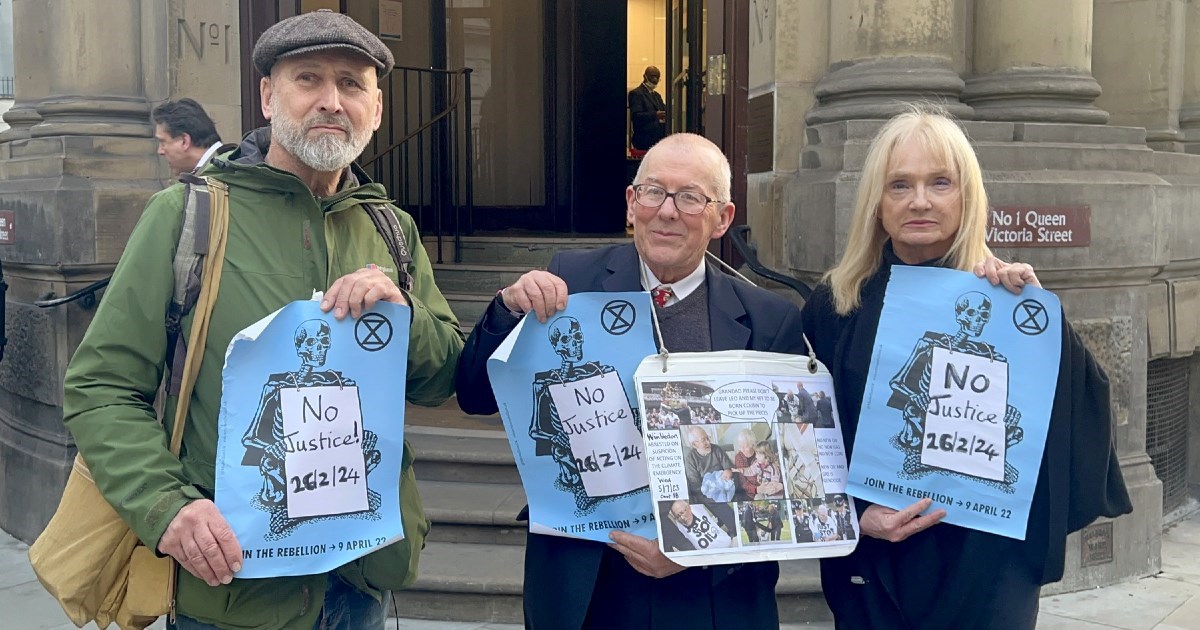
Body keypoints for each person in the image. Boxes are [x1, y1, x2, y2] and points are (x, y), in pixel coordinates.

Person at [62, 11, 464, 629]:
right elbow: (100, 387)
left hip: (358, 586)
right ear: (269, 96)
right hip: (230, 590)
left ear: (376, 109)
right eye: (309, 79)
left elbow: (441, 380)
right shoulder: (187, 217)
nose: (332, 101)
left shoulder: (393, 229)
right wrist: (167, 508)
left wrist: (403, 316)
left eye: (352, 85)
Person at [454, 131, 805, 629]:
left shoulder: (770, 320)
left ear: (722, 218)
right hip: (588, 583)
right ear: (631, 202)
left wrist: (701, 545)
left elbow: (784, 477)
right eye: (654, 191)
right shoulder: (567, 283)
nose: (666, 210)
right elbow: (474, 396)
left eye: (690, 197)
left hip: (712, 594)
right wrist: (507, 312)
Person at [800, 107, 1133, 629]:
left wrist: (1040, 328)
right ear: (876, 204)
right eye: (899, 185)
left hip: (986, 562)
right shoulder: (835, 306)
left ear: (967, 196)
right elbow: (802, 439)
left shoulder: (1011, 302)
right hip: (875, 560)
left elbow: (1075, 421)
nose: (920, 201)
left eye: (940, 182)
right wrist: (855, 517)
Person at [152, 98, 225, 176]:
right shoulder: (223, 166)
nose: (160, 151)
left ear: (184, 141)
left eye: (163, 142)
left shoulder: (223, 173)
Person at [684, 425, 736, 503]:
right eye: (703, 440)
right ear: (695, 445)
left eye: (707, 438)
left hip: (723, 483)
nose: (708, 442)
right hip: (707, 492)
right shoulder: (690, 459)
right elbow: (695, 486)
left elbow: (727, 466)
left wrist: (727, 471)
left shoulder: (717, 449)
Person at [628, 66, 667, 154]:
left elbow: (665, 110)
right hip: (644, 140)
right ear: (645, 76)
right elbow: (636, 116)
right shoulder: (636, 94)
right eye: (653, 76)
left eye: (657, 77)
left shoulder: (657, 96)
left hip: (658, 140)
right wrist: (656, 115)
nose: (655, 79)